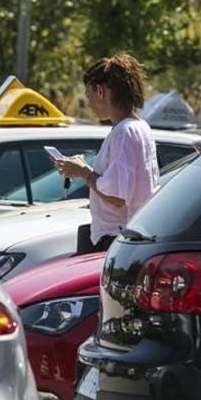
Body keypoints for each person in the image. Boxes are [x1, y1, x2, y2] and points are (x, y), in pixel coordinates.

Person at [55, 53, 159, 253]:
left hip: (115, 239)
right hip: (127, 236)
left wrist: (84, 172)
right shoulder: (139, 127)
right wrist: (82, 170)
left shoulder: (125, 131)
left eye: (88, 95)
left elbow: (117, 197)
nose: (89, 103)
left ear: (100, 91)